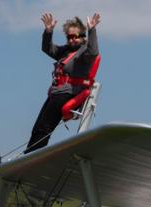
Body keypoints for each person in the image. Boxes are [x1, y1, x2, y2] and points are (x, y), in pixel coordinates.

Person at [24, 12, 101, 154]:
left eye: (75, 36)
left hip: (68, 93)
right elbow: (48, 48)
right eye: (69, 37)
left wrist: (92, 30)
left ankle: (34, 157)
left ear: (82, 37)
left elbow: (94, 51)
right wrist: (48, 31)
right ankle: (29, 154)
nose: (71, 40)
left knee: (45, 128)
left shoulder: (84, 53)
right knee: (38, 128)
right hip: (57, 93)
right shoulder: (65, 51)